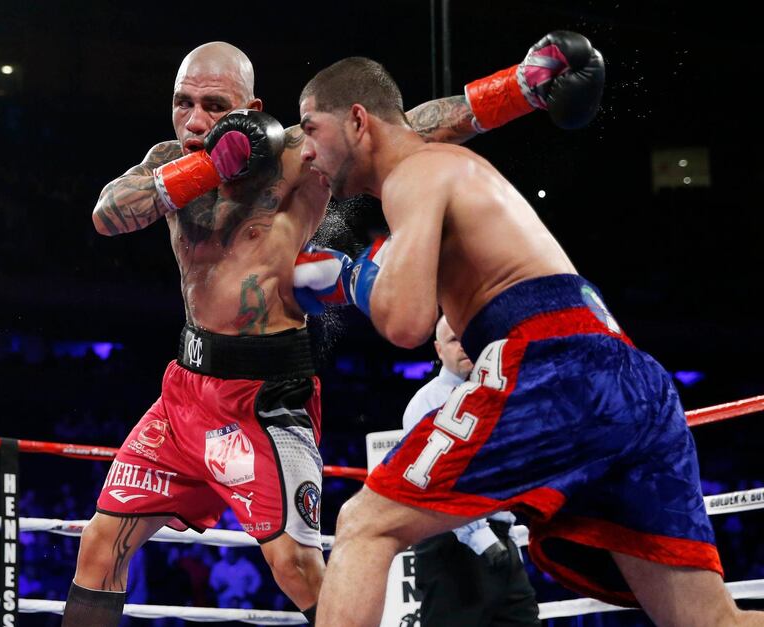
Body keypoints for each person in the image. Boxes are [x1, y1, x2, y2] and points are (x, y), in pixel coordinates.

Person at [61, 36, 586, 627]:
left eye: (214, 105)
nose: (195, 118)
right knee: (101, 545)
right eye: (184, 102)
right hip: (184, 393)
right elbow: (107, 214)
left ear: (253, 110)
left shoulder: (294, 157)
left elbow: (409, 129)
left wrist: (516, 88)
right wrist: (208, 163)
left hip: (264, 396)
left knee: (296, 566)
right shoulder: (167, 160)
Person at [295, 52, 764, 626]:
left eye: (311, 128)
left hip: (552, 360)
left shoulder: (415, 173)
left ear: (358, 120)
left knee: (365, 524)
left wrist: (348, 275)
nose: (306, 151)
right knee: (709, 622)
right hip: (627, 373)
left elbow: (407, 322)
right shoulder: (448, 169)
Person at [403, 316, 539, 626]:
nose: (463, 345)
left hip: (502, 538)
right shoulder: (426, 403)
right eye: (453, 340)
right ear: (439, 349)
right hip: (450, 545)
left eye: (468, 336)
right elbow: (434, 483)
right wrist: (480, 537)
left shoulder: (499, 396)